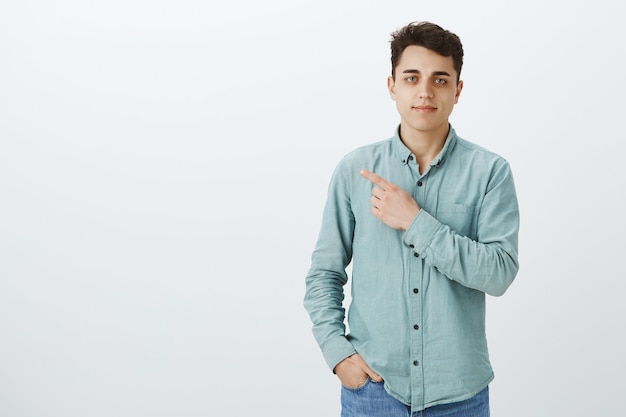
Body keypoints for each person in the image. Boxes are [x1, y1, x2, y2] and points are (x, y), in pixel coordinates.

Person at [303, 21, 520, 417]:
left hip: (460, 397)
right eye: (411, 78)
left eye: (440, 79)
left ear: (457, 89)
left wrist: (416, 221)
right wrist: (338, 354)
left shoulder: (490, 172)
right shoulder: (356, 170)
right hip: (373, 392)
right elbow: (324, 274)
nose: (424, 91)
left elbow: (500, 273)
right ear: (392, 86)